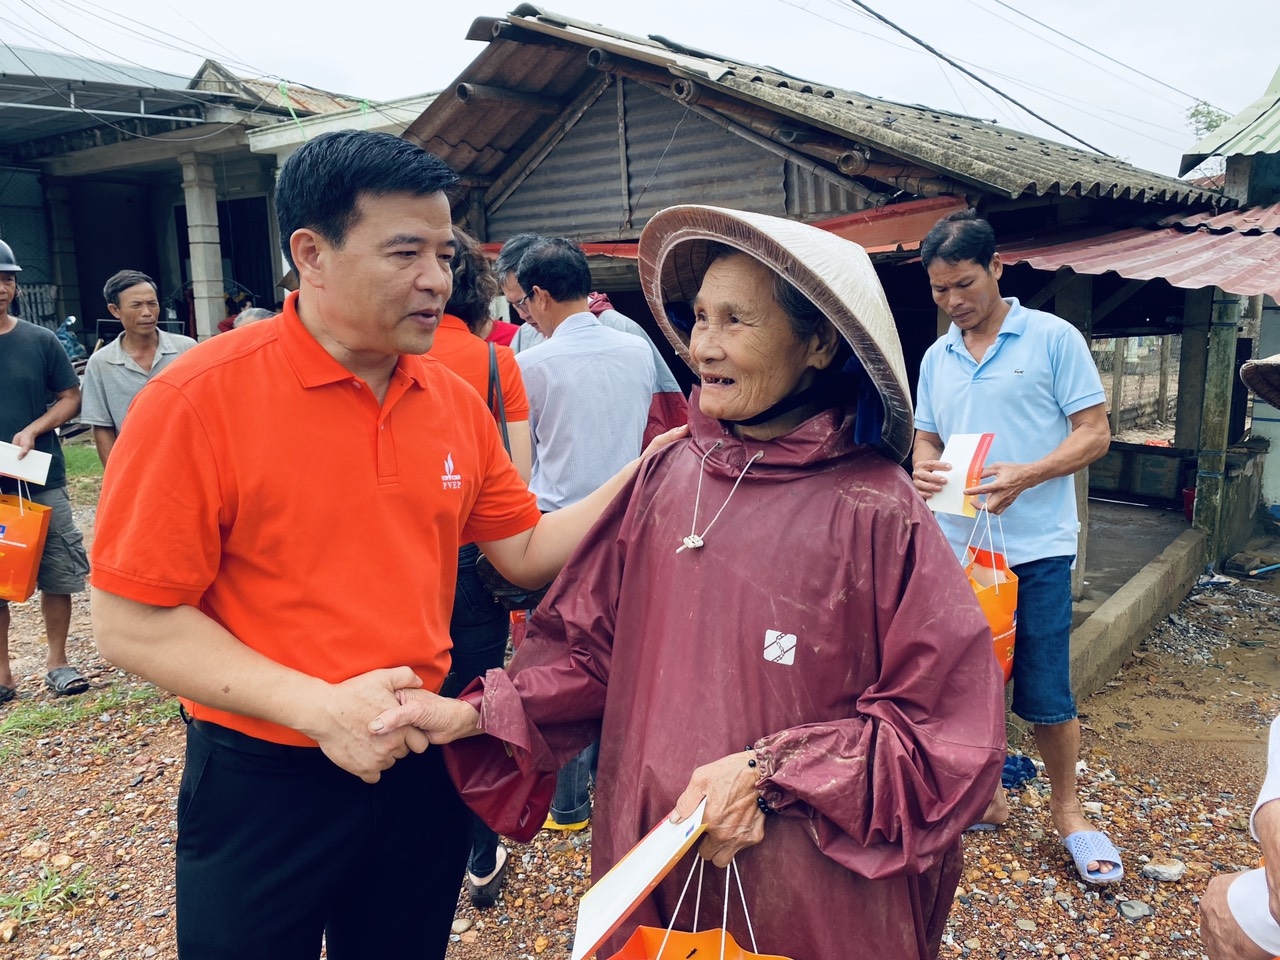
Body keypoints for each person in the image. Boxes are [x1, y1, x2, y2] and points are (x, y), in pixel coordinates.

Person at [89, 130, 681, 960]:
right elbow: (130, 620)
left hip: (420, 758)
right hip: (265, 773)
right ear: (311, 254)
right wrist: (318, 708)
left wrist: (646, 472)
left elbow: (524, 551)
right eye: (405, 251)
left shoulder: (450, 399)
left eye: (444, 253)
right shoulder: (198, 399)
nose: (436, 279)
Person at [370, 205, 1006, 959]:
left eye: (737, 320)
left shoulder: (878, 510)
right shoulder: (669, 475)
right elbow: (586, 653)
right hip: (650, 847)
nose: (704, 345)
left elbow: (941, 734)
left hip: (807, 880)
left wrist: (769, 773)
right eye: (700, 317)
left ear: (818, 343)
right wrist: (474, 716)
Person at [910, 209, 1118, 884]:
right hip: (956, 547)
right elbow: (928, 436)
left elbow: (1095, 433)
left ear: (998, 268)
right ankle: (987, 797)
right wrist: (922, 464)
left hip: (1037, 551)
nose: (953, 302)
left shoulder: (1053, 339)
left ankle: (1069, 812)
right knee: (968, 685)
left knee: (1047, 691)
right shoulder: (937, 356)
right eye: (940, 291)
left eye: (964, 284)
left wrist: (1030, 473)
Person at [512, 236, 656, 831]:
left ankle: (565, 803)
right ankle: (609, 783)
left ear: (540, 296)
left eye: (521, 303)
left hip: (558, 529)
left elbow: (523, 459)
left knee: (562, 663)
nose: (521, 314)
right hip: (629, 522)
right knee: (621, 656)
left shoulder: (531, 366)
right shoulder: (636, 353)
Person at [428, 223, 531, 907]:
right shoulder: (496, 363)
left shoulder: (374, 356)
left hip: (397, 568)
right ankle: (479, 852)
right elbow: (518, 481)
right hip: (473, 564)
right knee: (470, 704)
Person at [0, 238, 92, 703]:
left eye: (8, 278)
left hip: (40, 474)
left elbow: (70, 396)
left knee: (58, 566)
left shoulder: (40, 340)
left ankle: (58, 662)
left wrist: (34, 428)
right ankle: (2, 673)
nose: (1, 287)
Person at [497, 233, 688, 445]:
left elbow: (663, 412)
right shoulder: (524, 338)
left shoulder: (623, 331)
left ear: (541, 289)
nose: (523, 313)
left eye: (524, 301)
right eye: (514, 304)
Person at [80, 270, 197, 466]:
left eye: (152, 303)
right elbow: (102, 427)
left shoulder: (187, 350)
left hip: (189, 462)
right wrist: (116, 477)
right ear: (115, 310)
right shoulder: (101, 362)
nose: (147, 312)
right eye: (136, 305)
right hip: (135, 465)